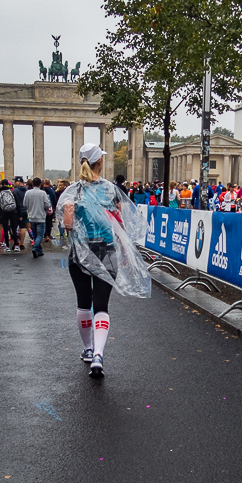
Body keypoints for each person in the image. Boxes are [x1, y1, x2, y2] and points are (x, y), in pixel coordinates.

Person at [56, 142, 150, 378]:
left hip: (80, 252)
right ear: (100, 161)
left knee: (82, 302)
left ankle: (87, 349)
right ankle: (99, 354)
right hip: (107, 251)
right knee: (101, 305)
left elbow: (67, 225)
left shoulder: (72, 192)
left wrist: (72, 213)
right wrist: (127, 253)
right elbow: (120, 225)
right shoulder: (110, 190)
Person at [23, 177, 52, 259]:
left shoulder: (28, 193)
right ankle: (35, 248)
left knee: (35, 235)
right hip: (40, 217)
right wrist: (45, 210)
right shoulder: (43, 193)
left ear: (32, 184)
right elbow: (47, 205)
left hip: (31, 217)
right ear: (40, 184)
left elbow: (24, 204)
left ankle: (39, 251)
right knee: (40, 235)